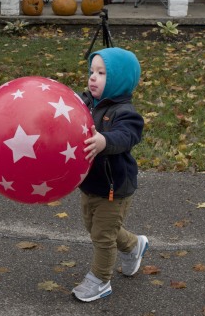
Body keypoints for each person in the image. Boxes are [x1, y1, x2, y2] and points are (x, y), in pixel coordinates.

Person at [72, 47, 148, 302]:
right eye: (92, 71)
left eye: (101, 73)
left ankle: (100, 280)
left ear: (119, 79)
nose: (93, 77)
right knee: (93, 227)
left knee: (102, 236)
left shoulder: (125, 112)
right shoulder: (86, 103)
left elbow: (127, 135)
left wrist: (105, 140)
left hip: (115, 187)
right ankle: (133, 245)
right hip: (90, 184)